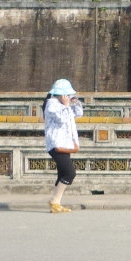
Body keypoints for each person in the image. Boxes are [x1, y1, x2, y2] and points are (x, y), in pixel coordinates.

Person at [43, 79, 83, 213]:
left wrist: (75, 103)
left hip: (66, 143)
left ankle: (56, 203)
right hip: (56, 143)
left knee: (62, 174)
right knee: (69, 173)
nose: (69, 97)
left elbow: (78, 114)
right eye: (67, 95)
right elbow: (61, 119)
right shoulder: (52, 104)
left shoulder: (63, 104)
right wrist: (66, 106)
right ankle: (54, 200)